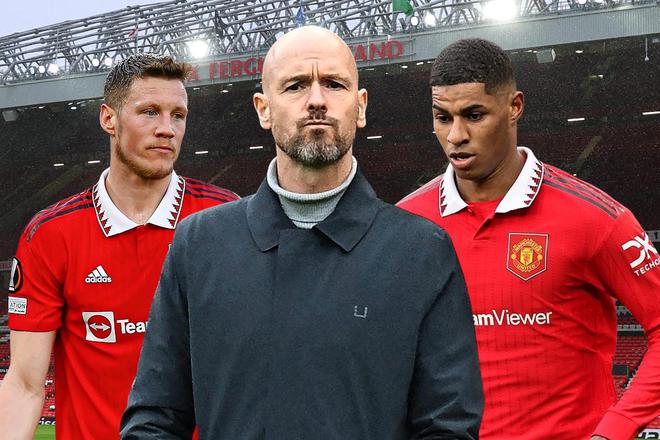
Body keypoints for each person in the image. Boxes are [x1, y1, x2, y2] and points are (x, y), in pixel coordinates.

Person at [120, 25, 483, 439]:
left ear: (360, 106)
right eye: (295, 86)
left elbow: (447, 426)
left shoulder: (421, 251)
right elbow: (155, 418)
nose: (316, 100)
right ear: (263, 109)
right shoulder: (199, 244)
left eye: (334, 84)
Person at [398, 38, 660, 440]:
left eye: (474, 115)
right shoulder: (406, 222)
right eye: (442, 117)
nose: (455, 135)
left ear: (514, 107)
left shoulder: (597, 218)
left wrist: (615, 429)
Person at [0, 54, 238, 440]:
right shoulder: (50, 234)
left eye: (178, 115)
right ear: (108, 118)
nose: (167, 129)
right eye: (149, 112)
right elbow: (25, 384)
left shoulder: (227, 218)